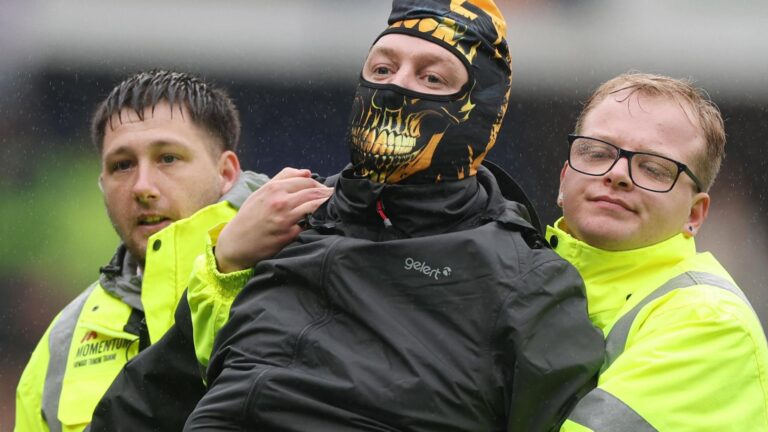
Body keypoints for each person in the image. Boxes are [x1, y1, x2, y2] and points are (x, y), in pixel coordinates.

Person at [175, 1, 604, 430]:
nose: (395, 88)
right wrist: (226, 263)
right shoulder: (283, 218)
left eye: (431, 77)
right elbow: (149, 398)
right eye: (381, 69)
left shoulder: (526, 280)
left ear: (480, 115)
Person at [14, 69, 331, 432]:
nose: (142, 187)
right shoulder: (62, 341)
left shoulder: (308, 267)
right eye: (122, 165)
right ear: (102, 184)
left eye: (168, 158)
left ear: (226, 172)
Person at [550, 73, 768, 431]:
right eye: (597, 152)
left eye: (653, 168)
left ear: (694, 214)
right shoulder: (513, 269)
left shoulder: (712, 322)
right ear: (564, 179)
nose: (618, 173)